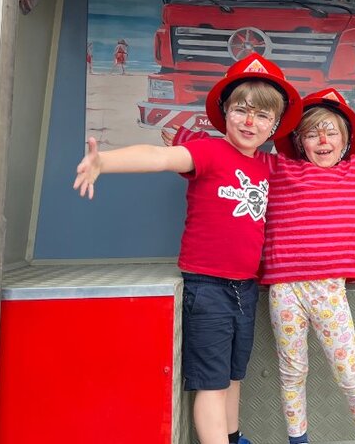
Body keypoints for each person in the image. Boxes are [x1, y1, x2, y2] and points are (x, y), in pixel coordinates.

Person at [169, 88, 355, 444]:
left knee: (350, 374)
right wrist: (185, 138)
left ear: (346, 141)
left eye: (331, 131)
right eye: (312, 132)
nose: (322, 139)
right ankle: (298, 440)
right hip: (285, 292)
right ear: (299, 142)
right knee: (292, 373)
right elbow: (229, 156)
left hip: (329, 292)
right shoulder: (278, 168)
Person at [73, 53, 302, 444]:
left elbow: (319, 175)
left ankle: (233, 436)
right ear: (224, 113)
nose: (250, 122)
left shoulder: (269, 165)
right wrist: (104, 162)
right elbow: (160, 156)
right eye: (242, 110)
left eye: (262, 116)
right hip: (207, 287)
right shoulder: (209, 152)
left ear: (274, 126)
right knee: (211, 382)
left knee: (232, 375)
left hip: (245, 287)